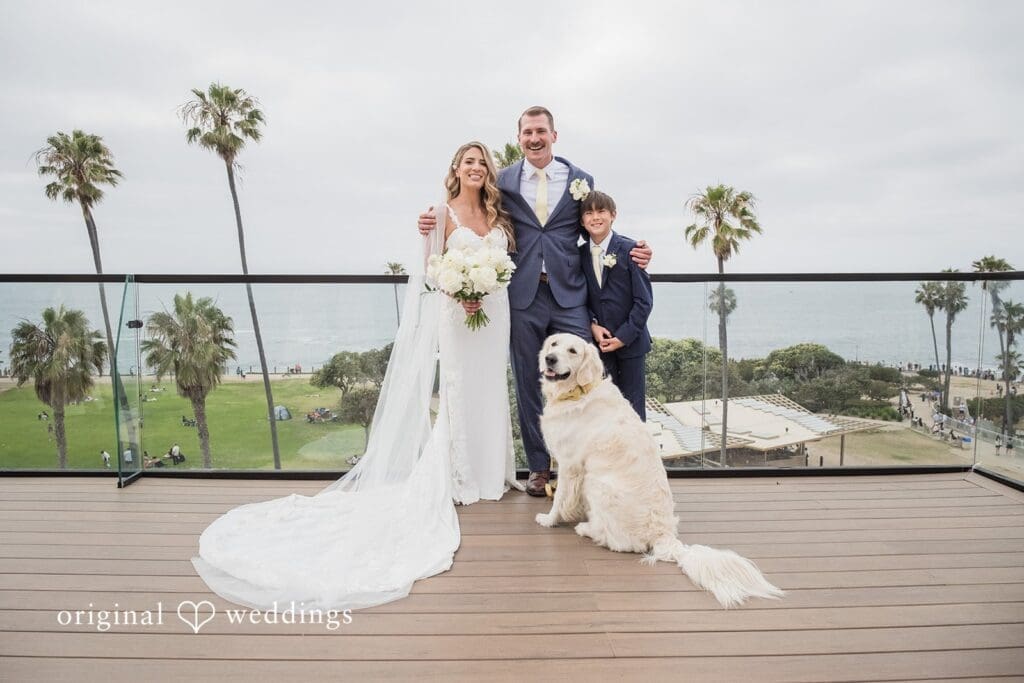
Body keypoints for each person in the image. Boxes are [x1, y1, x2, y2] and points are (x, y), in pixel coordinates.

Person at [192, 141, 521, 612]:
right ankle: (463, 476)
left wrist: (486, 287)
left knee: (490, 390)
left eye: (482, 163)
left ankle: (495, 474)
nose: (475, 168)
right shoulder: (438, 213)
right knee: (458, 392)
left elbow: (507, 266)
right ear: (455, 168)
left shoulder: (499, 216)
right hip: (457, 316)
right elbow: (430, 273)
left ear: (489, 171)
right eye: (468, 161)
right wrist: (461, 292)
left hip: (495, 316)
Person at [418, 106, 652, 495]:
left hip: (570, 295)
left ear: (554, 135)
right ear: (519, 137)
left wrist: (633, 250)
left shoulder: (580, 179)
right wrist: (430, 221)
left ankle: (582, 465)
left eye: (541, 131)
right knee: (529, 380)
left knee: (584, 375)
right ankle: (540, 468)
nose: (534, 138)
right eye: (527, 132)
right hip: (520, 294)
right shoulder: (505, 182)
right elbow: (471, 212)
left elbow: (597, 223)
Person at [579, 190, 653, 419]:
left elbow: (644, 301)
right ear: (582, 220)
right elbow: (578, 297)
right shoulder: (578, 255)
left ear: (613, 215)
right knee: (604, 411)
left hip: (631, 344)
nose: (595, 217)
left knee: (633, 412)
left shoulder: (632, 250)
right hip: (600, 345)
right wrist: (592, 325)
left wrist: (622, 337)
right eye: (589, 213)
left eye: (601, 211)